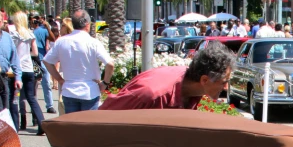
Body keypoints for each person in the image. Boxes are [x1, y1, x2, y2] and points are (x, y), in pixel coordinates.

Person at [100, 42, 235, 110]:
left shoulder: (194, 90)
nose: (225, 87)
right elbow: (105, 117)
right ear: (204, 80)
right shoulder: (152, 94)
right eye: (224, 81)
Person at [43, 10, 114, 114]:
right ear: (87, 25)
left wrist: (60, 79)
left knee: (71, 128)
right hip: (89, 91)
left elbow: (47, 61)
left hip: (69, 91)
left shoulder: (61, 42)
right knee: (88, 128)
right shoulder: (93, 43)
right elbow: (110, 64)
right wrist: (105, 83)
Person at [10, 11, 45, 135]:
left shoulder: (13, 34)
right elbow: (35, 53)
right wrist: (26, 55)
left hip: (16, 69)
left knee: (15, 98)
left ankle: (15, 126)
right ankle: (42, 123)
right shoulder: (30, 34)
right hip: (29, 68)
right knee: (31, 97)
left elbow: (11, 52)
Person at [0, 9, 22, 117]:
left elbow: (15, 59)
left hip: (4, 78)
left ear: (2, 22)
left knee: (6, 109)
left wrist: (18, 78)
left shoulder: (7, 37)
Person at [33, 17, 56, 114]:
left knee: (39, 84)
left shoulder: (37, 31)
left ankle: (44, 106)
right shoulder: (37, 31)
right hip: (38, 59)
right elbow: (53, 38)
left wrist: (47, 28)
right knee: (42, 84)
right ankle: (47, 105)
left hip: (38, 60)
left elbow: (52, 38)